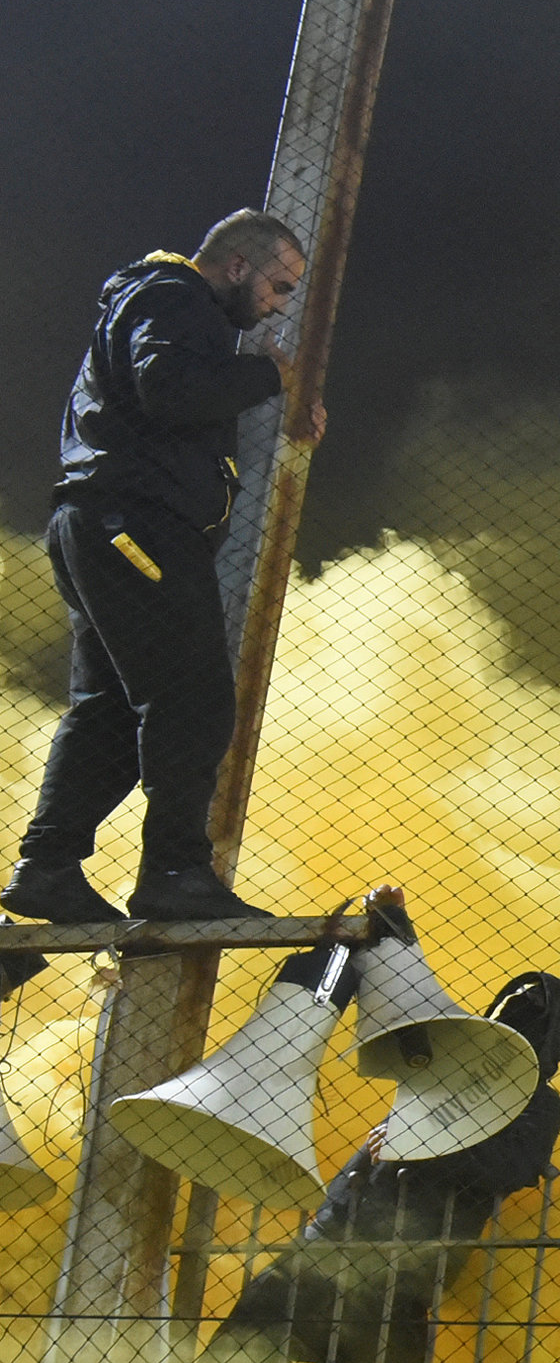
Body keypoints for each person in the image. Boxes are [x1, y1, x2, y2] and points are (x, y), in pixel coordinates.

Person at [11, 209, 327, 929]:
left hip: (100, 524)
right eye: (277, 287)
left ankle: (48, 870)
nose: (276, 306)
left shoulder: (152, 301)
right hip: (136, 527)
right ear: (239, 266)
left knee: (112, 709)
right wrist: (265, 375)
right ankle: (175, 873)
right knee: (193, 699)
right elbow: (171, 389)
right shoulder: (176, 297)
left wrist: (273, 397)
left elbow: (172, 395)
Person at [201, 889, 560, 1363]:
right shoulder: (448, 1058)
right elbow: (408, 1001)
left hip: (396, 1288)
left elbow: (508, 1169)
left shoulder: (539, 1104)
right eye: (508, 1008)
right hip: (321, 1257)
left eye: (527, 1014)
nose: (510, 1018)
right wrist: (391, 924)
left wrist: (424, 1141)